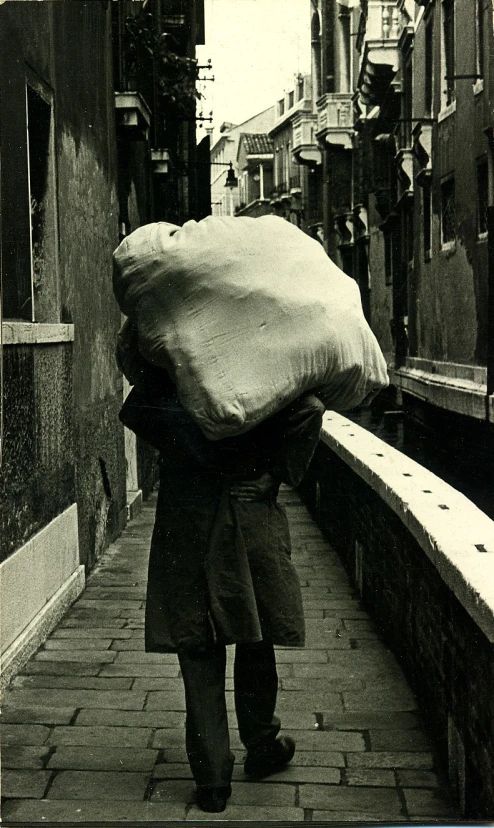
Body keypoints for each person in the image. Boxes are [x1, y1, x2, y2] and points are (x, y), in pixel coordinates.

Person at [117, 322, 324, 813]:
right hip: (249, 511)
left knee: (198, 644)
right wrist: (275, 473)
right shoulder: (267, 375)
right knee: (255, 634)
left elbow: (137, 409)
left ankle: (212, 778)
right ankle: (262, 744)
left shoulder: (174, 383)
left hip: (188, 518)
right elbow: (312, 410)